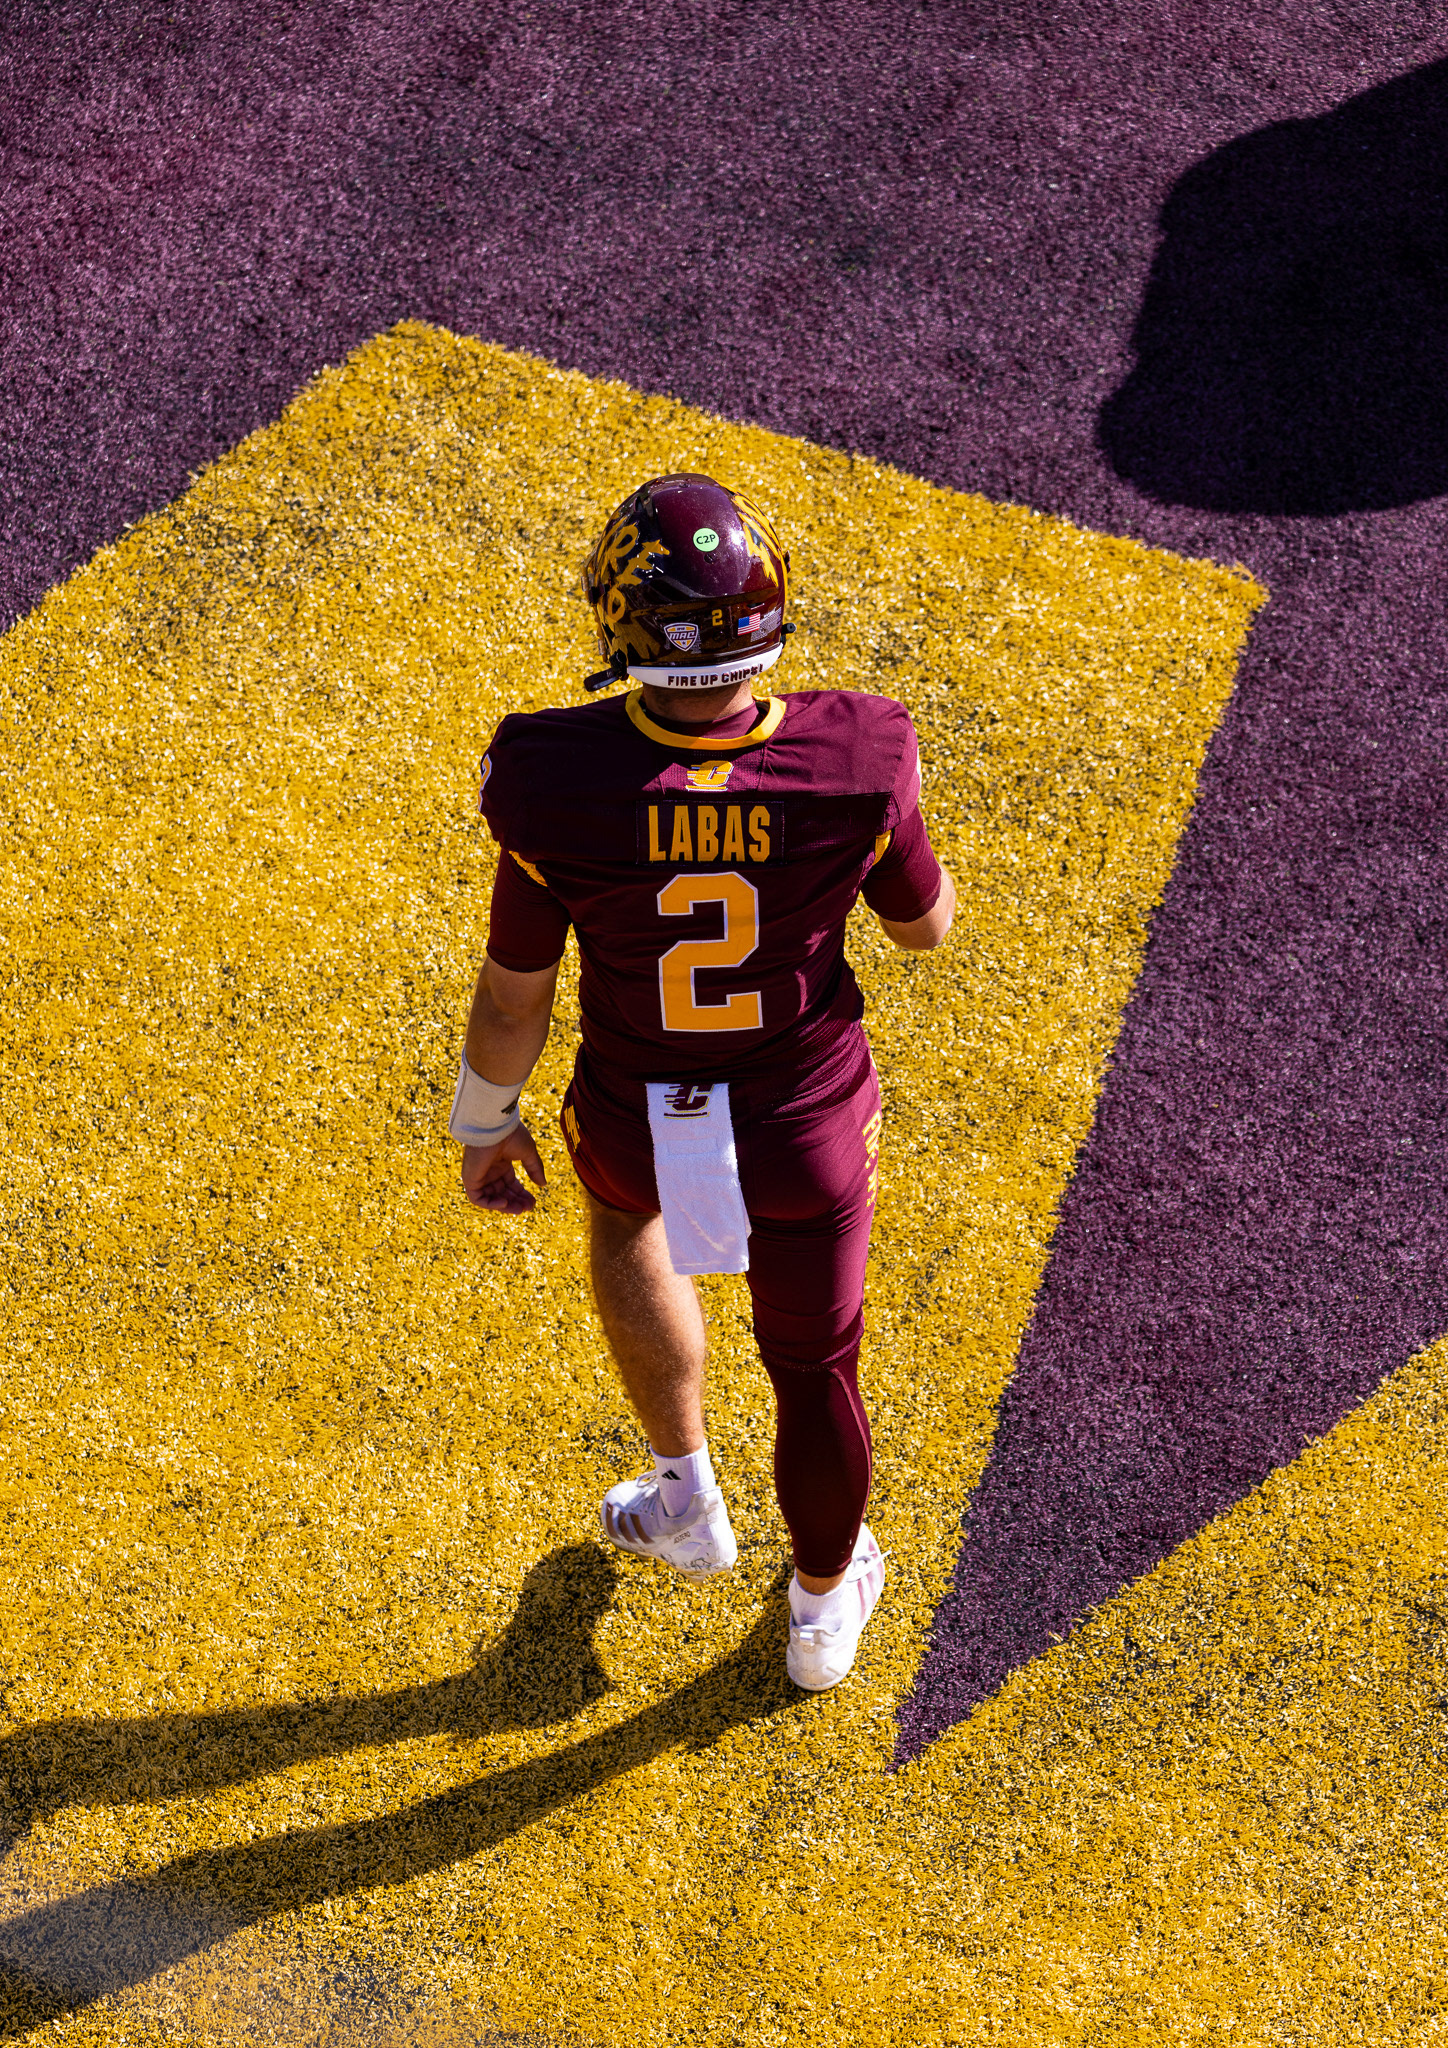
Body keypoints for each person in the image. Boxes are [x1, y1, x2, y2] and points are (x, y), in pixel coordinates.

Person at [450, 475, 954, 1691]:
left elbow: (515, 995)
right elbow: (924, 927)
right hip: (801, 1115)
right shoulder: (858, 752)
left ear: (617, 620)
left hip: (636, 1103)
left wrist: (483, 1119)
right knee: (814, 1365)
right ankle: (819, 1609)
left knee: (627, 1217)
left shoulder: (552, 775)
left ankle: (683, 1493)